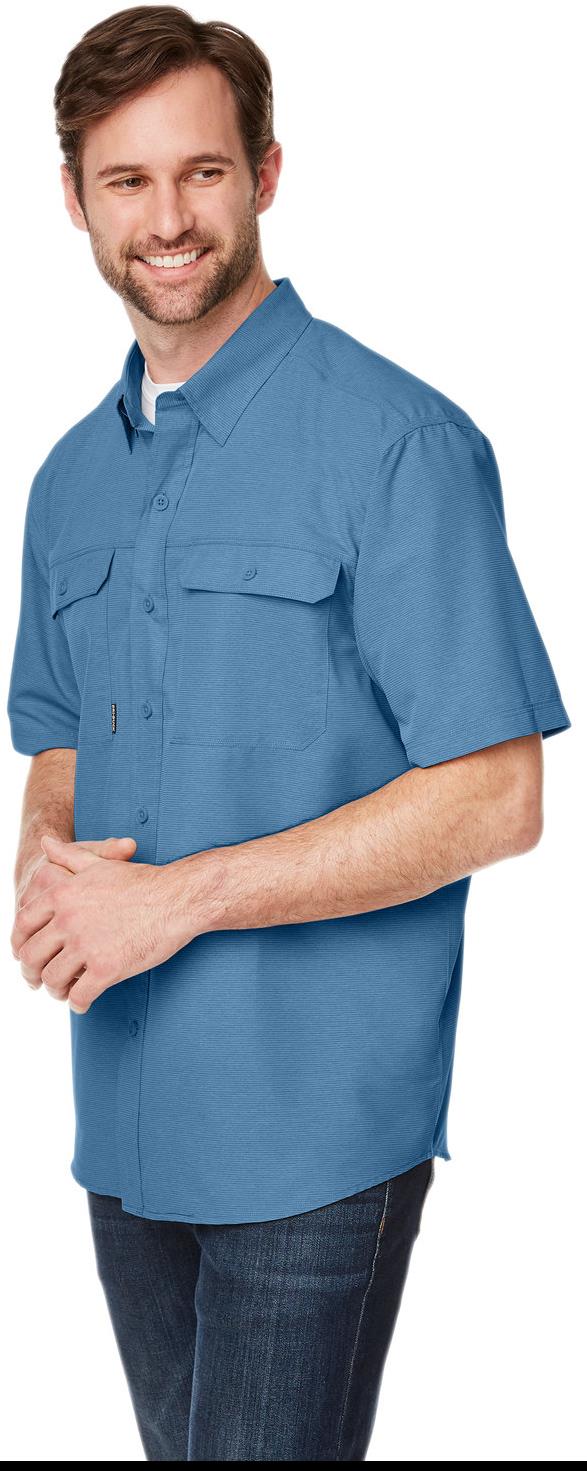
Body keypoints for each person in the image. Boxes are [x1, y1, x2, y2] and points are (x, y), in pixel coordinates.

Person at [6, 5, 571, 1462]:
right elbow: (55, 732)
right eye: (127, 181)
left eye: (202, 172)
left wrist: (178, 901)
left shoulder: (398, 444)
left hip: (311, 1133)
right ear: (74, 199)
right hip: (124, 1119)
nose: (168, 219)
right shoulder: (69, 481)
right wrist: (48, 863)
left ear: (264, 172)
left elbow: (497, 795)